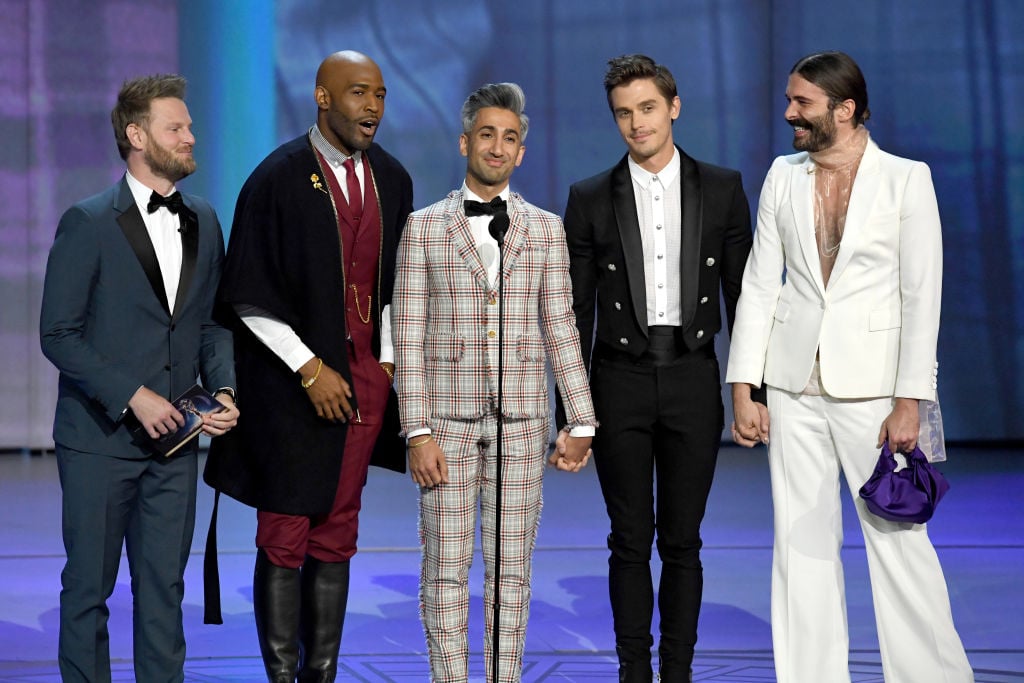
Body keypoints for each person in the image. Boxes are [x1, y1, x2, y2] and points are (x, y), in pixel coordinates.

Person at [726, 51, 974, 682]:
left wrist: (911, 398)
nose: (789, 113)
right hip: (790, 386)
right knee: (801, 549)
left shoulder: (904, 179)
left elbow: (923, 294)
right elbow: (761, 283)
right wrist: (742, 386)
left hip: (874, 389)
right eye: (789, 99)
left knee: (897, 541)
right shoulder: (782, 175)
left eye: (802, 103)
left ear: (845, 109)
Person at [202, 51, 413, 682]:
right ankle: (281, 677)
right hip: (293, 386)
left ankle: (320, 674)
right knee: (287, 527)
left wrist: (390, 364)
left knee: (338, 528)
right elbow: (247, 290)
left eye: (379, 94)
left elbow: (398, 287)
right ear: (322, 98)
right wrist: (309, 368)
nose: (372, 106)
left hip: (366, 382)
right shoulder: (278, 177)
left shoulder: (393, 180)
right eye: (357, 93)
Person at [392, 82, 598, 682]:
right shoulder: (424, 228)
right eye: (487, 134)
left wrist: (580, 419)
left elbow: (561, 326)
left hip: (523, 423)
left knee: (512, 571)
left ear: (522, 153)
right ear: (464, 143)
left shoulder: (544, 229)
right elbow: (408, 337)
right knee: (445, 570)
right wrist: (416, 430)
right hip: (446, 427)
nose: (498, 147)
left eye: (510, 138)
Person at [39, 74, 239, 683]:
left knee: (164, 594)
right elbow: (58, 334)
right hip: (99, 441)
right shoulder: (88, 221)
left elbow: (210, 323)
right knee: (88, 592)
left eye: (189, 126)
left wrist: (224, 389)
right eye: (176, 127)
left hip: (176, 444)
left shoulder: (203, 218)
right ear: (136, 134)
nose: (190, 136)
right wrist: (133, 396)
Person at [560, 54, 753, 682]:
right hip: (618, 381)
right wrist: (575, 414)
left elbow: (744, 297)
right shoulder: (589, 197)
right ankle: (633, 674)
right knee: (628, 540)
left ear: (674, 107)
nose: (635, 123)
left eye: (647, 108)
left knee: (683, 541)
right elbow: (574, 312)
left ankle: (677, 673)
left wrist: (754, 390)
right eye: (623, 112)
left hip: (694, 376)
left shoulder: (722, 187)